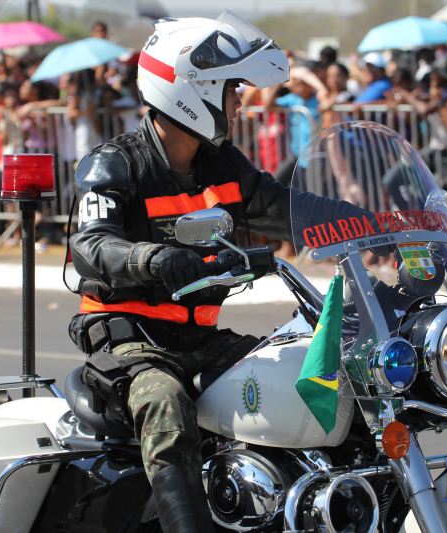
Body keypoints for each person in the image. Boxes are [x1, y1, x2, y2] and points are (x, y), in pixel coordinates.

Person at [67, 13, 295, 532]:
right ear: (193, 91)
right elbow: (91, 245)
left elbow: (284, 207)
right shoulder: (116, 165)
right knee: (165, 406)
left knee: (297, 375)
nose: (239, 102)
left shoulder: (222, 164)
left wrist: (376, 221)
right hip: (131, 343)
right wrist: (153, 258)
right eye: (231, 89)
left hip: (199, 338)